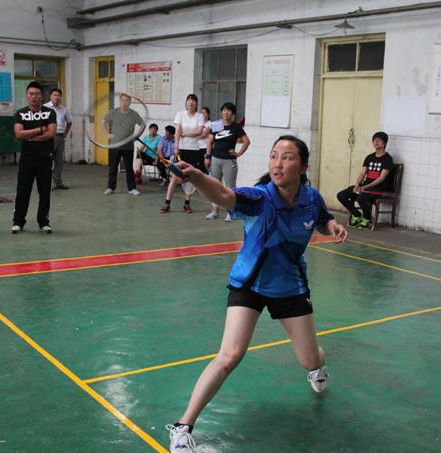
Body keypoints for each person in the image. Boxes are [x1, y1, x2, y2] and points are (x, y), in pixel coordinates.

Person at [166, 135, 348, 452]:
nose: (278, 164)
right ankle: (183, 426)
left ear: (303, 166)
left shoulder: (311, 198)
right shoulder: (259, 198)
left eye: (287, 157)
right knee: (229, 355)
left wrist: (332, 226)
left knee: (309, 358)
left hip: (290, 286)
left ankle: (319, 365)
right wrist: (196, 176)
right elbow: (224, 194)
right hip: (249, 283)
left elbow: (321, 218)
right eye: (274, 156)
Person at [12, 81, 57, 234]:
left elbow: (51, 133)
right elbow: (18, 133)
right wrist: (40, 129)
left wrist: (30, 136)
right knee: (22, 191)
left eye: (37, 94)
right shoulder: (20, 113)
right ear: (27, 96)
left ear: (41, 96)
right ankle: (18, 222)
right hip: (27, 159)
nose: (34, 97)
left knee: (44, 192)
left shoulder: (50, 113)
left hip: (45, 158)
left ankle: (43, 222)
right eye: (31, 94)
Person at [336, 131, 394, 229]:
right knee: (341, 195)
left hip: (378, 189)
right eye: (374, 140)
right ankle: (357, 215)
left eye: (379, 140)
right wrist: (357, 185)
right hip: (365, 187)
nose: (376, 142)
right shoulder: (369, 157)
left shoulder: (388, 159)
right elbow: (362, 173)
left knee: (362, 197)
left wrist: (364, 187)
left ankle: (367, 219)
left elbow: (381, 178)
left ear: (384, 143)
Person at [160, 94, 206, 214]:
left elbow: (199, 131)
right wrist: (176, 147)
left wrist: (185, 134)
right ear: (186, 103)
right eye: (189, 100)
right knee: (175, 177)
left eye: (193, 100)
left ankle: (187, 204)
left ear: (196, 103)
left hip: (194, 150)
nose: (191, 102)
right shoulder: (180, 114)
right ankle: (167, 203)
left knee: (190, 178)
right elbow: (177, 131)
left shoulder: (200, 116)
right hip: (181, 150)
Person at [205, 102, 250, 222]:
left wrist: (238, 153)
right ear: (221, 111)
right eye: (224, 110)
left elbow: (246, 141)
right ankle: (215, 211)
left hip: (229, 161)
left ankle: (231, 212)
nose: (226, 112)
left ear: (233, 113)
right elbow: (210, 142)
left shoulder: (236, 127)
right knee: (214, 186)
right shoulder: (216, 125)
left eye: (229, 111)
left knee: (230, 188)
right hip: (215, 159)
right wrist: (207, 157)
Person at [102, 93, 144, 196]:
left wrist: (137, 136)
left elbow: (143, 125)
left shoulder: (134, 114)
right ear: (120, 101)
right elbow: (103, 121)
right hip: (115, 145)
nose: (125, 103)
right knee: (113, 168)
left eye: (127, 101)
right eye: (123, 100)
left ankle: (132, 188)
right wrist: (107, 134)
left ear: (130, 102)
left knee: (129, 168)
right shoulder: (113, 112)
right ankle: (110, 187)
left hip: (128, 146)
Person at [44, 88, 72, 190]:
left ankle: (58, 182)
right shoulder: (44, 108)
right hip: (49, 137)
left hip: (60, 137)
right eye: (54, 95)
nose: (57, 97)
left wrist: (65, 134)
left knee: (59, 162)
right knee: (47, 161)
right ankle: (46, 183)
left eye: (59, 95)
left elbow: (69, 122)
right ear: (50, 96)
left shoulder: (64, 110)